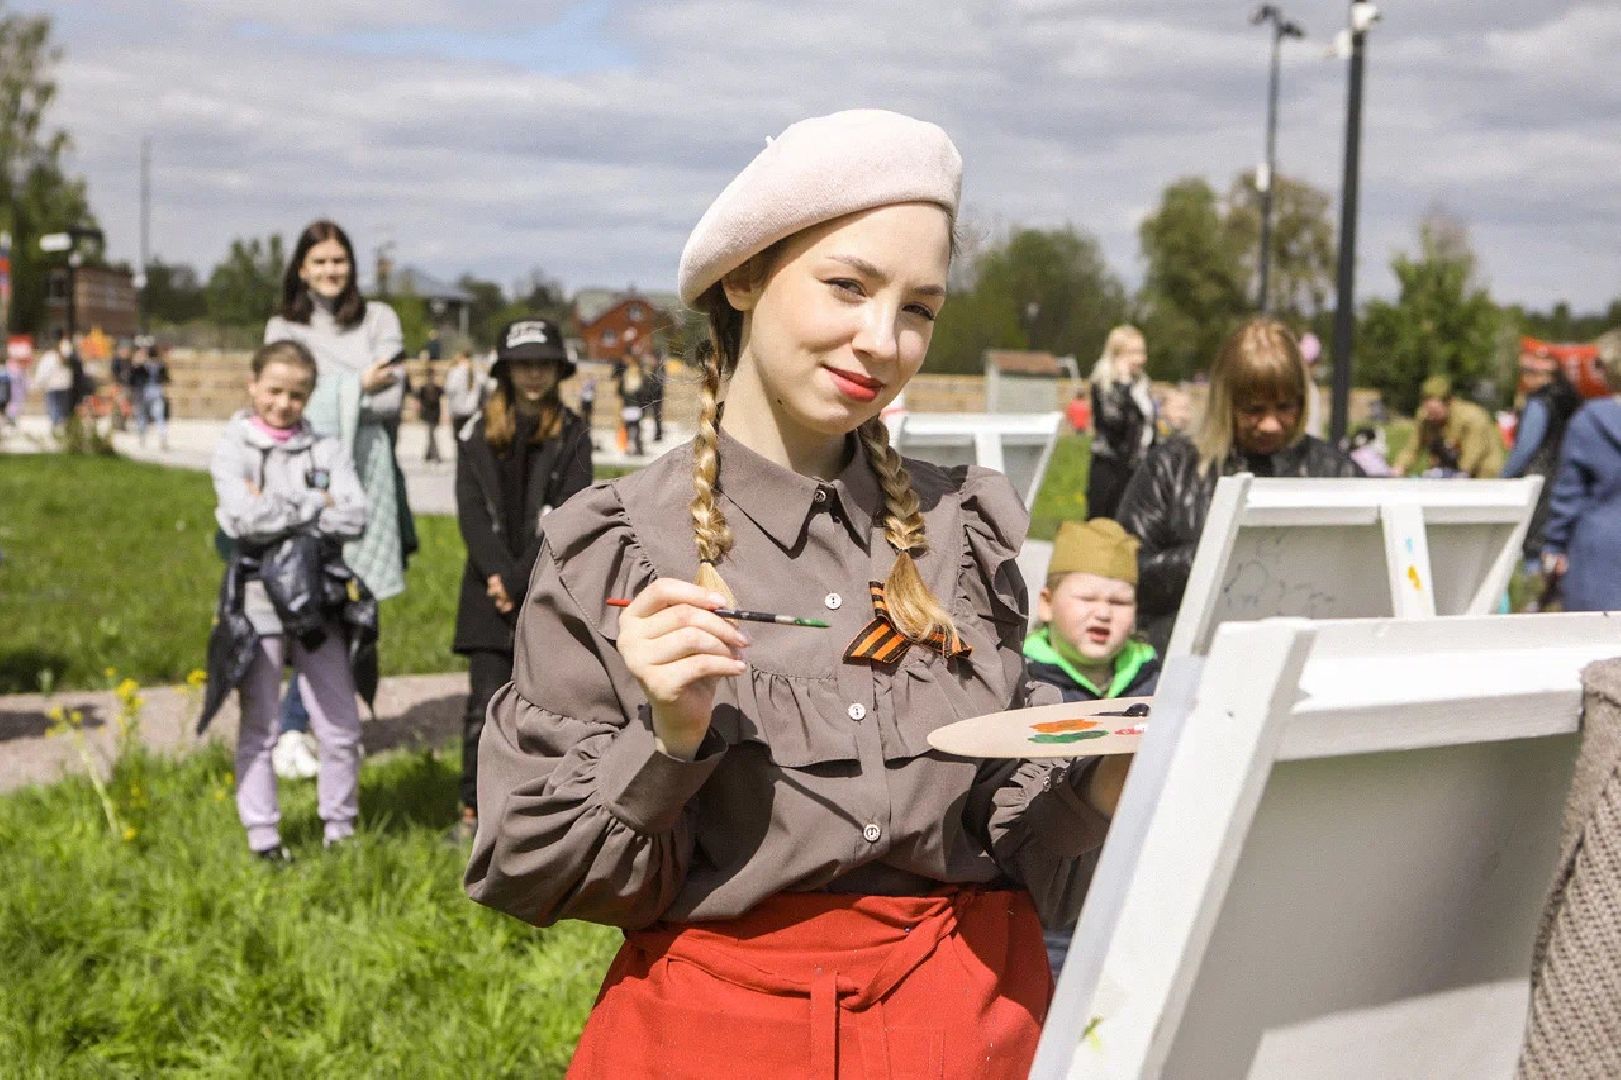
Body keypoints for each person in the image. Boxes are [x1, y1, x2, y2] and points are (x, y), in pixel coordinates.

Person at [465, 109, 1126, 1078]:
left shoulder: (962, 531)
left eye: (918, 308)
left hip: (971, 1034)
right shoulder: (613, 547)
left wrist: (1107, 777)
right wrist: (666, 739)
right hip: (713, 1044)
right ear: (742, 277)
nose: (882, 340)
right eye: (847, 286)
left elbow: (1020, 845)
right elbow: (535, 870)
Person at [203, 340, 369, 862]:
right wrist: (316, 502)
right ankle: (264, 838)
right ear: (252, 384)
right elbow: (240, 519)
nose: (283, 404)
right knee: (261, 722)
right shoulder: (234, 446)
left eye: (296, 395)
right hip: (257, 599)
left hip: (318, 600)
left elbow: (356, 514)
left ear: (309, 397)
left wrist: (275, 504)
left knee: (340, 724)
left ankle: (340, 828)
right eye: (273, 390)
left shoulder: (326, 449)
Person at [1118, 317, 1362, 652]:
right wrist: (1220, 554)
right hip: (1183, 661)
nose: (1271, 424)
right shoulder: (1170, 469)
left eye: (1285, 407)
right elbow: (1123, 576)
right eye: (1254, 410)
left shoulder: (1337, 473)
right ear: (1225, 402)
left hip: (1309, 661)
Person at [265, 220, 408, 777]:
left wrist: (324, 387)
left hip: (368, 474)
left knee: (355, 603)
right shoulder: (283, 327)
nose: (331, 270)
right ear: (302, 269)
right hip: (305, 476)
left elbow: (391, 397)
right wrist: (356, 384)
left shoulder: (379, 319)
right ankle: (294, 725)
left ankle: (327, 726)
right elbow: (279, 402)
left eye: (339, 260)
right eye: (320, 261)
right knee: (310, 598)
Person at [449, 317, 592, 843]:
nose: (533, 374)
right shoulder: (475, 433)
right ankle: (473, 809)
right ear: (505, 371)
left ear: (558, 370)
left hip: (545, 587)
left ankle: (535, 810)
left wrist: (517, 579)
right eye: (523, 364)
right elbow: (470, 512)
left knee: (544, 706)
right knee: (483, 705)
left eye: (543, 364)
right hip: (486, 591)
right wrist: (496, 575)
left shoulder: (573, 434)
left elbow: (570, 513)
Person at [1021, 518, 1160, 977]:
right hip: (1049, 902)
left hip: (1134, 900)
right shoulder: (1023, 683)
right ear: (1046, 603)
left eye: (1119, 602)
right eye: (1086, 598)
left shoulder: (1158, 685)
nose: (1103, 613)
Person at [1541, 331, 1621, 613]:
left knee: (1595, 635)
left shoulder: (1589, 421)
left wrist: (1554, 545)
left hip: (1599, 551)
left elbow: (1569, 493)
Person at [1503, 348, 1581, 584]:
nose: (1525, 377)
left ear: (1547, 375)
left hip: (1540, 480)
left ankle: (1533, 595)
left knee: (1534, 549)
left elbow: (1525, 449)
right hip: (1568, 480)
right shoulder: (1573, 401)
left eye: (1530, 371)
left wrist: (1503, 477)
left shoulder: (1539, 403)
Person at [1086, 325, 1156, 520]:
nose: (1141, 359)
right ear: (1116, 355)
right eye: (1134, 352)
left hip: (1139, 468)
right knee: (1104, 525)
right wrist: (1123, 387)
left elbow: (1149, 425)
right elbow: (1115, 425)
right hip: (1111, 467)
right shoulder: (1104, 386)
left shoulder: (1142, 385)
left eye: (1142, 352)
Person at [1390, 375, 1505, 479]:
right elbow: (1412, 447)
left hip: (1482, 471)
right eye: (1429, 411)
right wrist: (1399, 467)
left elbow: (1473, 452)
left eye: (1435, 412)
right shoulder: (1425, 417)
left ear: (1449, 402)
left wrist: (1461, 474)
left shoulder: (1472, 418)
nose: (1432, 417)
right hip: (1448, 468)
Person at [129, 341, 171, 448]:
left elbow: (132, 379)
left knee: (143, 416)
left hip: (145, 392)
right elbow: (167, 379)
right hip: (156, 391)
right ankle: (161, 437)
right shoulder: (160, 365)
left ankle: (142, 437)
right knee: (159, 416)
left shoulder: (143, 365)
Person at [34, 332, 74, 433]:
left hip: (53, 387)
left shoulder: (50, 357)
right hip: (64, 386)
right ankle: (61, 426)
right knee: (61, 407)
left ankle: (57, 426)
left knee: (54, 407)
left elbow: (43, 372)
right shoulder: (67, 357)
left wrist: (39, 383)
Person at [445, 349, 483, 443]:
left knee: (459, 441)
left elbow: (449, 389)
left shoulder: (456, 371)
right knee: (469, 440)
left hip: (458, 411)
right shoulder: (476, 371)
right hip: (472, 410)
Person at [415, 366, 445, 463]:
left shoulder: (435, 388)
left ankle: (430, 455)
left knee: (431, 434)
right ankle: (433, 455)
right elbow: (418, 400)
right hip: (429, 413)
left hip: (433, 413)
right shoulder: (425, 388)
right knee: (431, 434)